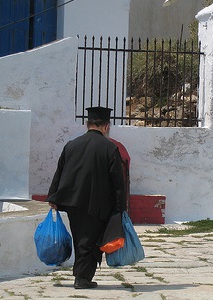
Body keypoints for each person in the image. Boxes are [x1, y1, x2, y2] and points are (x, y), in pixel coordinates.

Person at [47, 106, 127, 289]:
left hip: (73, 202)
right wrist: (121, 208)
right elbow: (118, 182)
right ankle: (82, 279)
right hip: (98, 204)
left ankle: (81, 275)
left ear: (87, 124)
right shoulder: (110, 148)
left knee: (81, 239)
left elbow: (59, 171)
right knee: (89, 242)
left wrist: (53, 196)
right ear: (107, 126)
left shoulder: (71, 145)